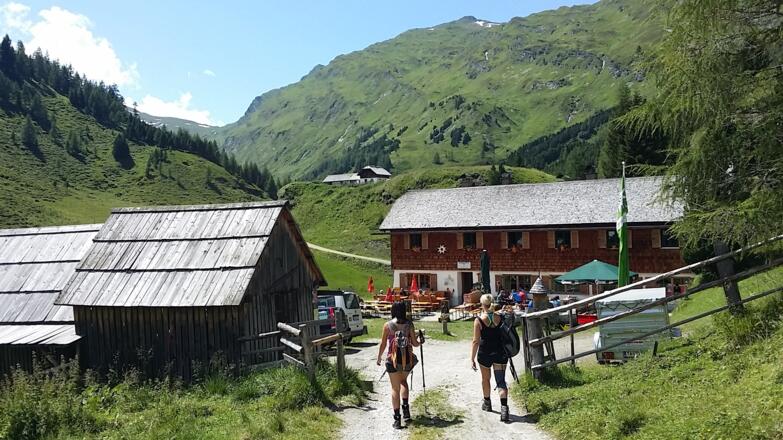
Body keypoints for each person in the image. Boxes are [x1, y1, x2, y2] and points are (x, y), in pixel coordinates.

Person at [377, 301, 422, 429]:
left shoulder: (387, 325)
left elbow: (383, 344)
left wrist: (379, 357)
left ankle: (397, 420)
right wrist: (420, 341)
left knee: (394, 388)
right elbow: (414, 343)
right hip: (407, 360)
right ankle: (406, 410)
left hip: (392, 360)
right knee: (404, 382)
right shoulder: (409, 324)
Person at [470, 294, 511, 422]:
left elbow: (476, 341)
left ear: (482, 305)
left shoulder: (479, 320)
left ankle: (487, 403)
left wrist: (472, 358)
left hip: (485, 353)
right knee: (501, 381)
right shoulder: (501, 318)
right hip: (500, 353)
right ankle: (504, 408)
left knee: (485, 379)